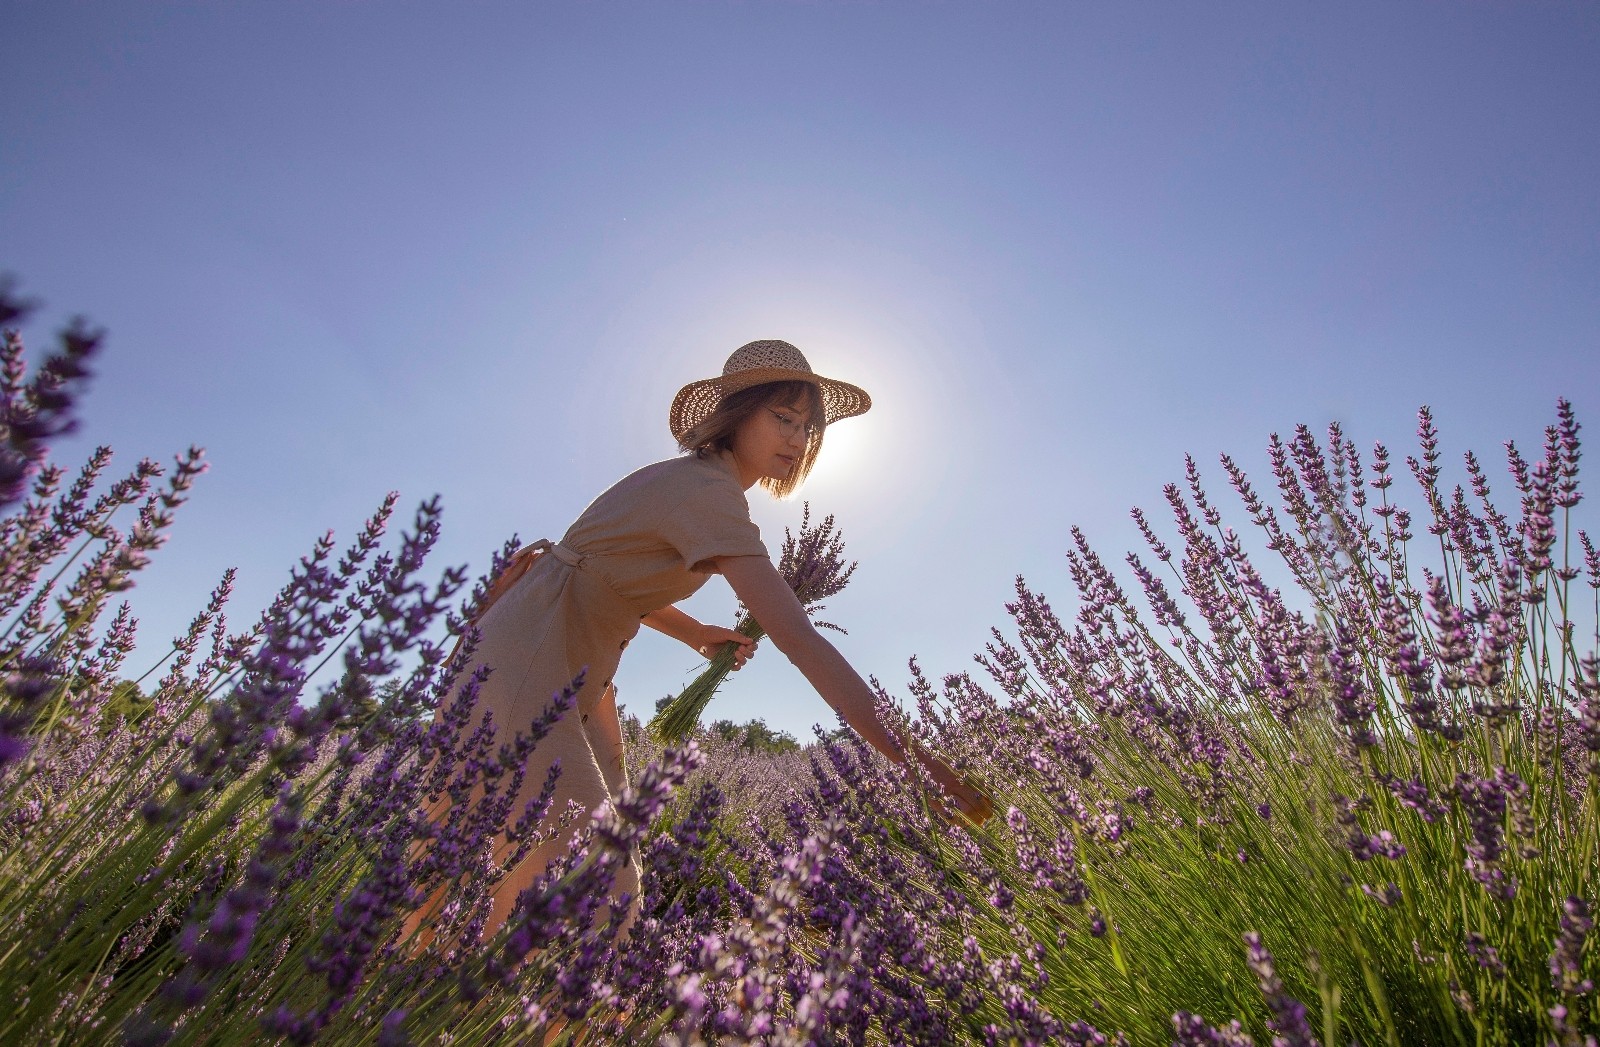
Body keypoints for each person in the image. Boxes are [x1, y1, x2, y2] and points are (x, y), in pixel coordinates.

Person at [412, 339, 991, 944]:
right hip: (529, 661)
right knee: (592, 880)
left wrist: (693, 633)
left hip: (556, 666)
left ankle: (415, 999)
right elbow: (799, 638)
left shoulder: (706, 488)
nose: (797, 440)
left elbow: (603, 571)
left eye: (808, 427)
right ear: (737, 414)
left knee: (473, 858)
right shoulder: (706, 492)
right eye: (783, 418)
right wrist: (919, 766)